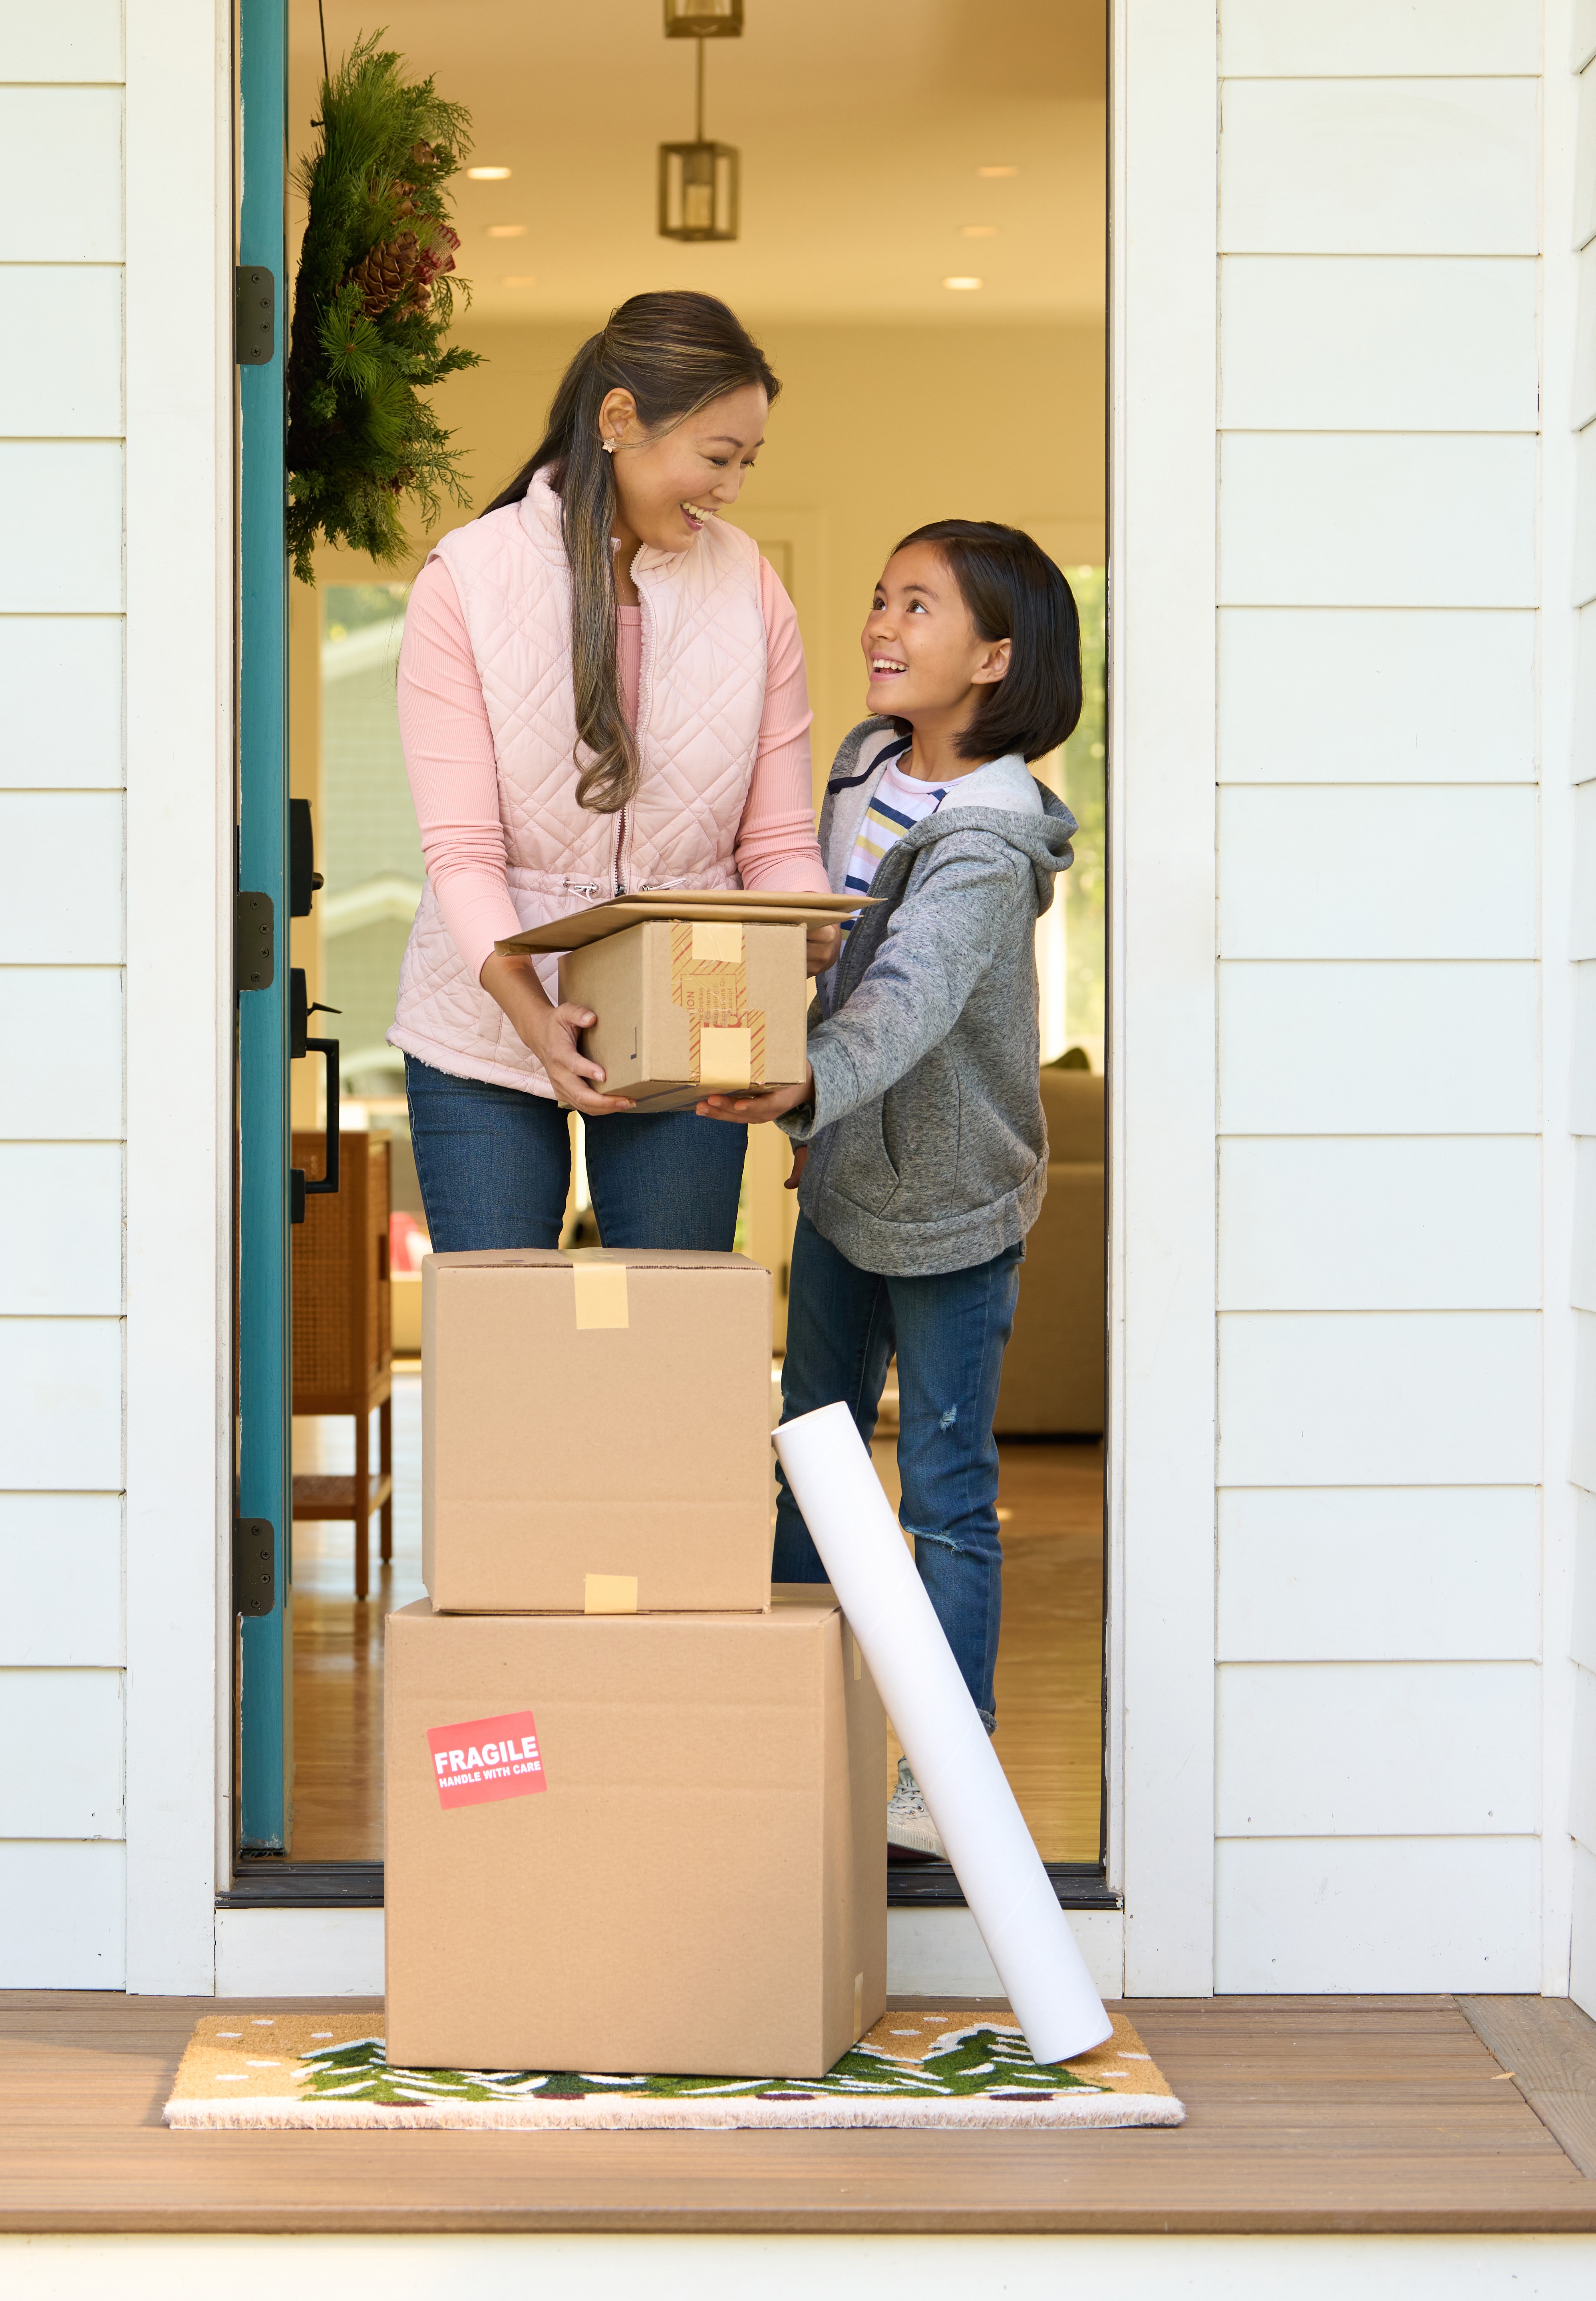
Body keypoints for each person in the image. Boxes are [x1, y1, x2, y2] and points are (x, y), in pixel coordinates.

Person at [696, 519, 1082, 1855]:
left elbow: (909, 1001)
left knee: (945, 1500)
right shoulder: (864, 772)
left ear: (995, 656)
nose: (880, 625)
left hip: (956, 1203)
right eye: (878, 599)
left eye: (917, 608)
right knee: (810, 1462)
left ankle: (945, 1789)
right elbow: (834, 936)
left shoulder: (991, 840)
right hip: (844, 1178)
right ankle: (793, 1746)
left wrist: (805, 1081)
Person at [390, 290, 835, 1253]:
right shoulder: (467, 581)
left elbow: (777, 841)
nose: (733, 489)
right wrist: (536, 1017)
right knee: (500, 1341)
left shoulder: (753, 586)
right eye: (718, 458)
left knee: (670, 1340)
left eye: (749, 462)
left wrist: (798, 920)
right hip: (486, 1023)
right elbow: (464, 855)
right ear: (620, 420)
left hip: (690, 1011)